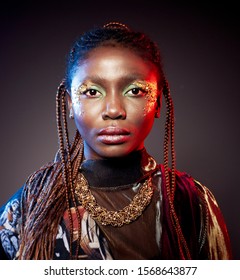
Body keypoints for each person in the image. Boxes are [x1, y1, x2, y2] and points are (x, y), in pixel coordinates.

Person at [0, 22, 232, 260]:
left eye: (135, 91)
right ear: (70, 104)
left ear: (158, 104)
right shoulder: (34, 203)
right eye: (92, 92)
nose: (113, 110)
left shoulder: (190, 201)